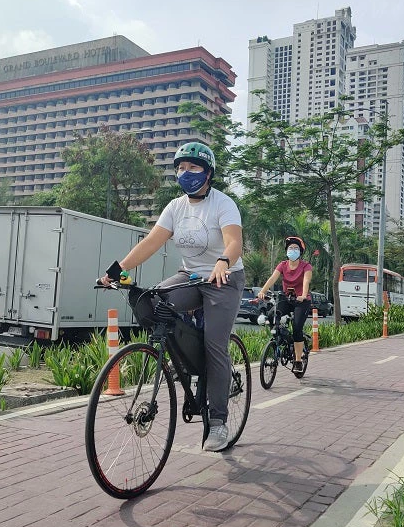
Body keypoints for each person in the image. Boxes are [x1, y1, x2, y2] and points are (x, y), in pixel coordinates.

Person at [99, 142, 244, 452]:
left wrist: (223, 262)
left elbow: (234, 243)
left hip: (224, 278)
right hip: (190, 276)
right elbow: (150, 243)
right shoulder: (175, 207)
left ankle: (218, 422)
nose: (185, 173)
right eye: (180, 168)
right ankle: (186, 358)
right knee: (150, 303)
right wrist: (116, 270)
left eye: (192, 168)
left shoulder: (223, 204)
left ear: (208, 173)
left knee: (215, 345)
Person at [254, 236, 313, 376]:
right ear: (286, 251)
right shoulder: (282, 265)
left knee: (297, 328)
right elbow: (273, 278)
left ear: (300, 252)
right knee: (271, 315)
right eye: (290, 248)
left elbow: (306, 281)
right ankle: (283, 337)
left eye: (296, 248)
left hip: (301, 301)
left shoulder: (306, 266)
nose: (293, 250)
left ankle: (298, 361)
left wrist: (303, 295)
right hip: (287, 299)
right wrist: (262, 291)